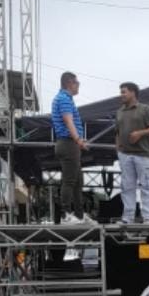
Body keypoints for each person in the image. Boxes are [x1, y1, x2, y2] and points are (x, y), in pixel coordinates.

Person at [51, 71, 95, 225]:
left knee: (77, 181)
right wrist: (78, 139)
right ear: (70, 83)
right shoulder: (64, 99)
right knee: (70, 181)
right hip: (68, 143)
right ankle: (65, 215)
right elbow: (68, 121)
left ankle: (79, 215)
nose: (78, 86)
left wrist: (77, 140)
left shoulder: (64, 98)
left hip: (70, 143)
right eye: (77, 83)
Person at [115, 82, 149, 224]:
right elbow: (117, 132)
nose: (121, 95)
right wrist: (118, 149)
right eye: (121, 92)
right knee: (127, 187)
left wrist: (140, 133)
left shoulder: (145, 109)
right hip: (125, 154)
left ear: (133, 92)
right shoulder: (119, 112)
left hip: (143, 154)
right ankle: (127, 218)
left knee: (146, 186)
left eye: (124, 92)